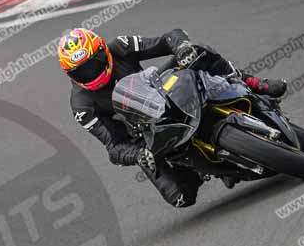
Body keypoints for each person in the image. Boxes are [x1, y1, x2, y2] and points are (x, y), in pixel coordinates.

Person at [57, 28, 288, 207]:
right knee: (181, 198)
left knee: (199, 51)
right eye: (81, 71)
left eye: (93, 64)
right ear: (70, 75)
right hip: (147, 135)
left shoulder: (120, 46)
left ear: (102, 52)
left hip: (161, 92)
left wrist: (182, 47)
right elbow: (114, 146)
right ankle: (209, 168)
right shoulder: (82, 106)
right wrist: (139, 154)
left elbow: (168, 38)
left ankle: (254, 83)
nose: (91, 73)